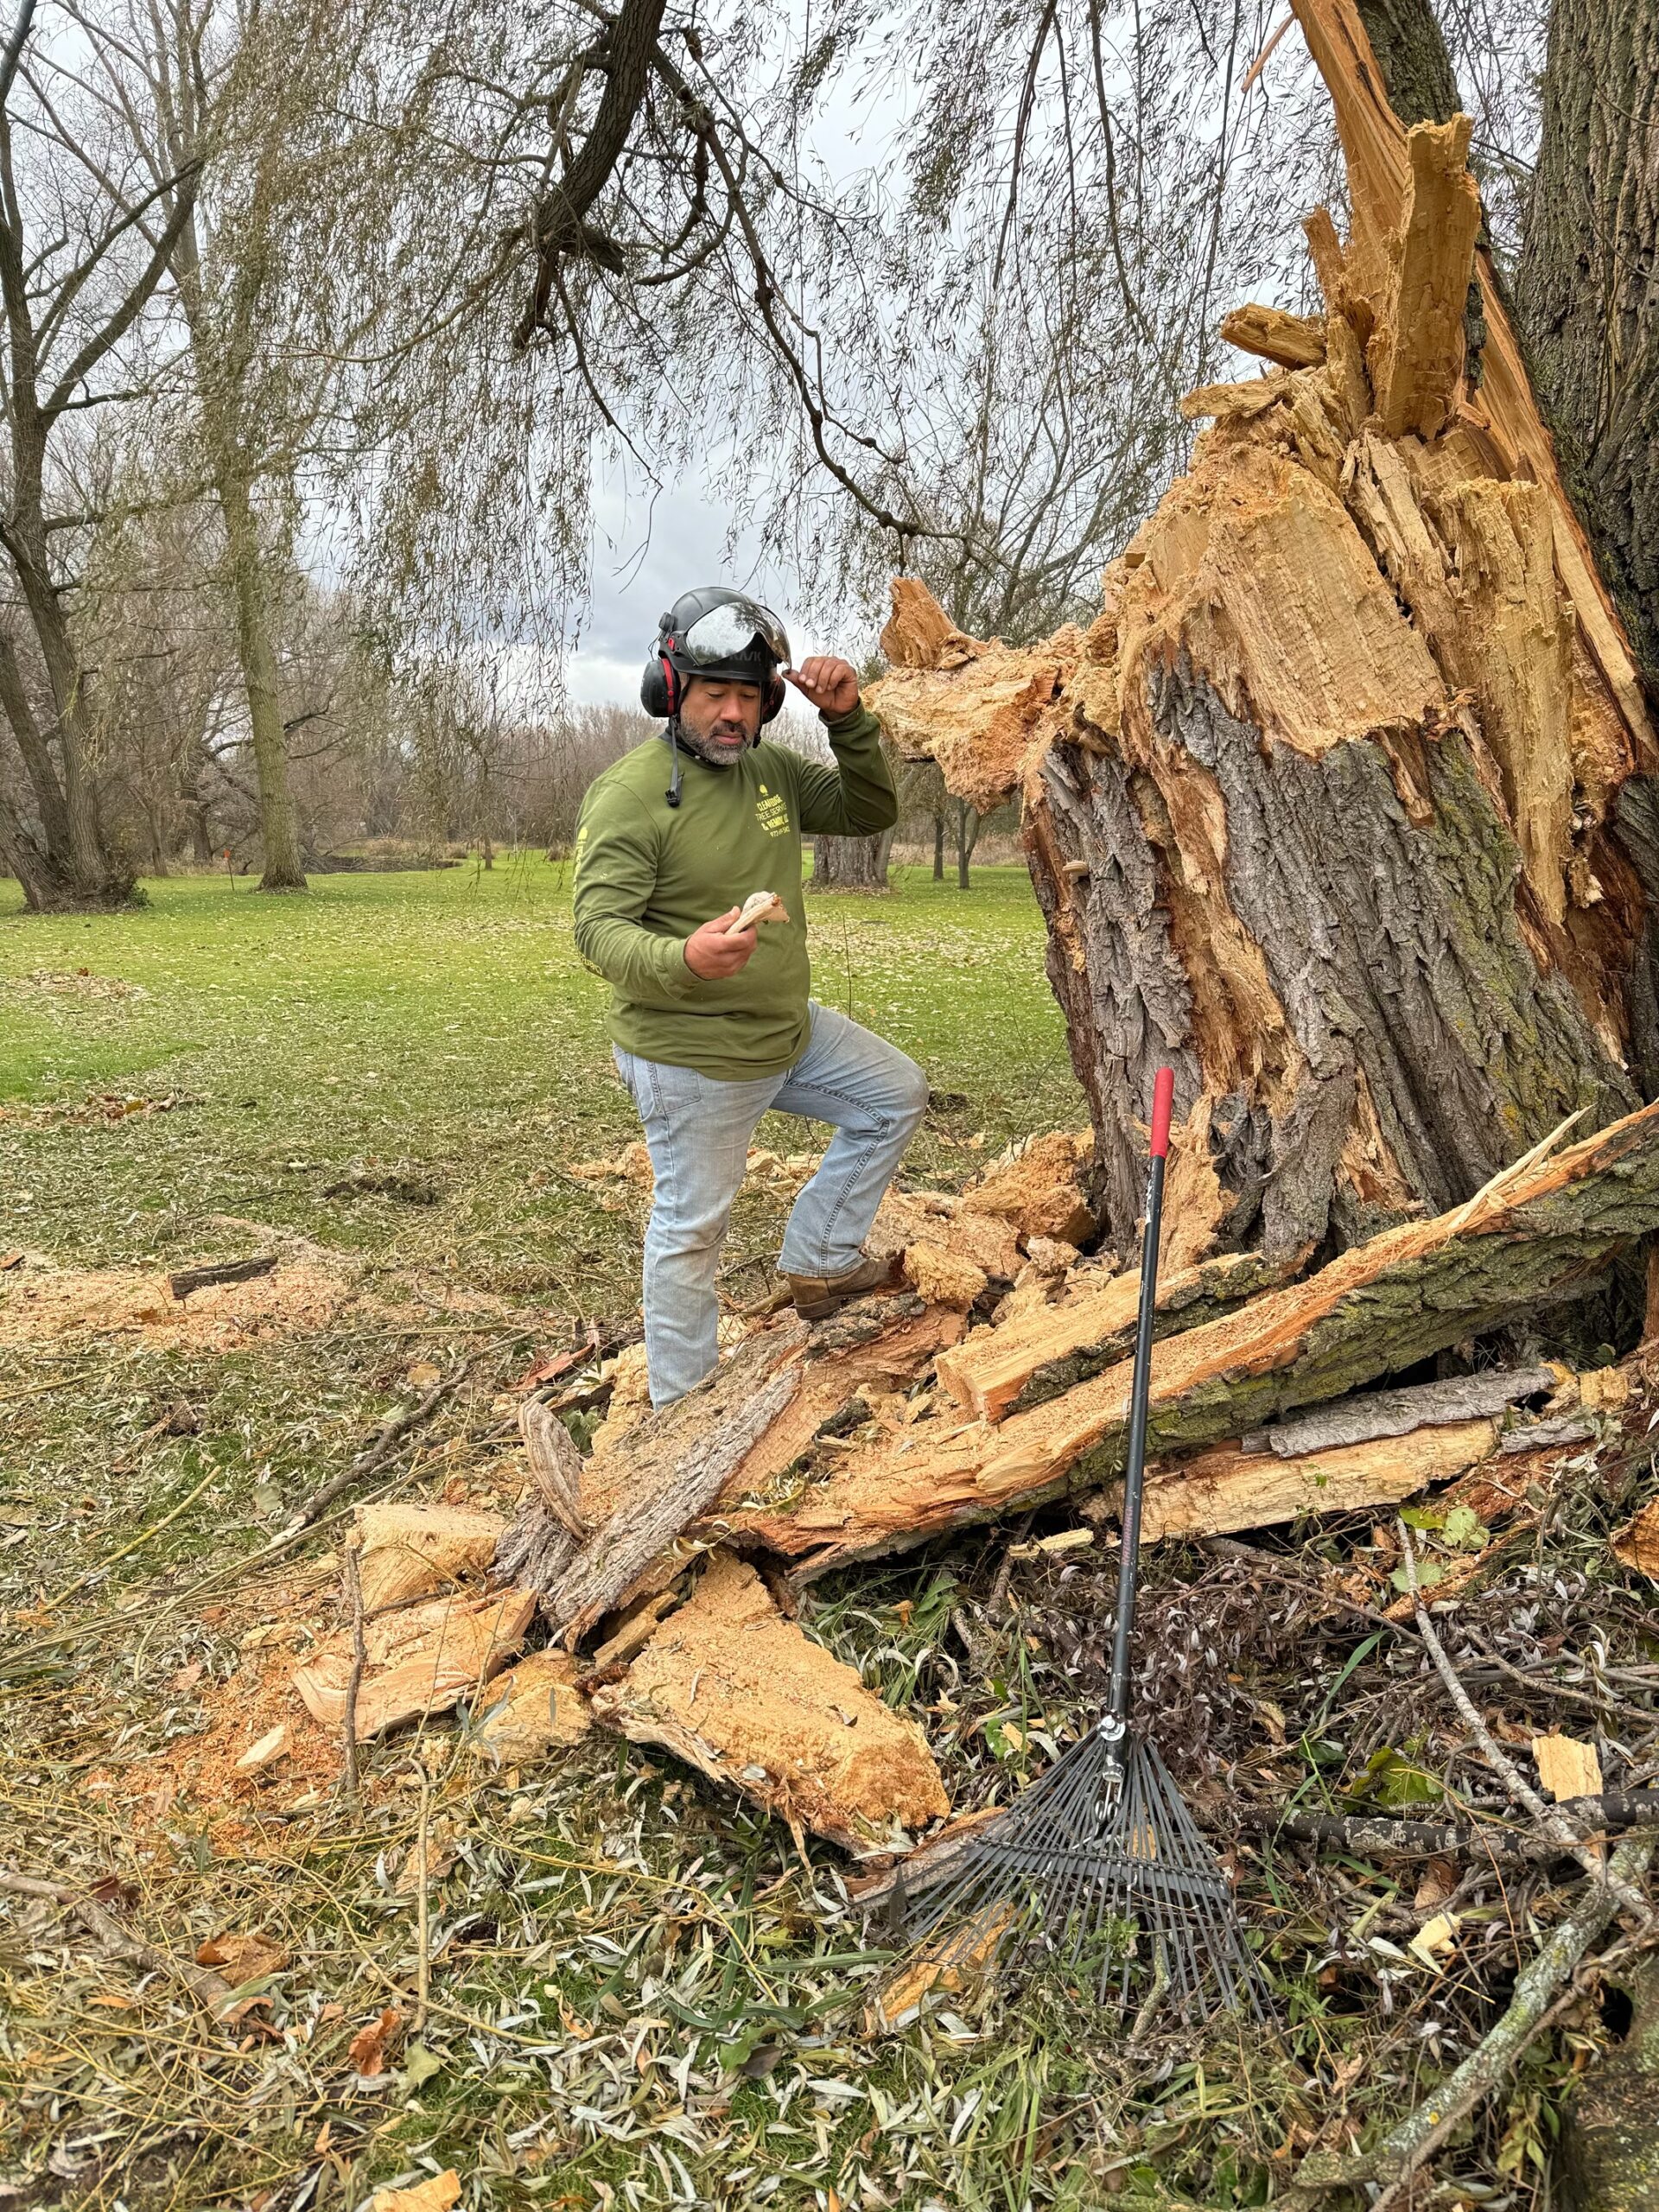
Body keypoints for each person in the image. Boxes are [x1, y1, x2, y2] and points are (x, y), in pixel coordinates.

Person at [572, 586, 928, 1407]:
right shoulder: (630, 795)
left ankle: (820, 1263)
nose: (732, 713)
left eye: (748, 695)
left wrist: (849, 722)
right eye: (714, 693)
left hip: (784, 1032)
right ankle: (682, 1412)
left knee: (894, 1095)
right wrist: (685, 958)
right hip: (692, 1057)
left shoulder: (769, 770)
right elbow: (598, 932)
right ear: (672, 691)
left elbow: (867, 810)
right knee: (692, 1234)